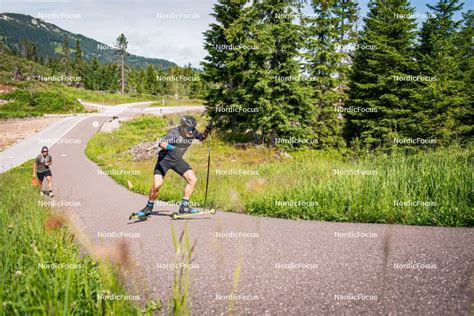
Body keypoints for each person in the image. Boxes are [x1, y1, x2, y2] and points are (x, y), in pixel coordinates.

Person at [135, 115, 212, 219]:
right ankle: (148, 207)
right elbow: (161, 143)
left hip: (177, 161)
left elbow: (201, 137)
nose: (190, 132)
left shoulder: (192, 132)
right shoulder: (174, 132)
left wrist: (207, 130)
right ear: (182, 127)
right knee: (157, 186)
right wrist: (172, 147)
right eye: (188, 129)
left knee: (192, 179)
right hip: (164, 161)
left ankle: (184, 207)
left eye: (192, 129)